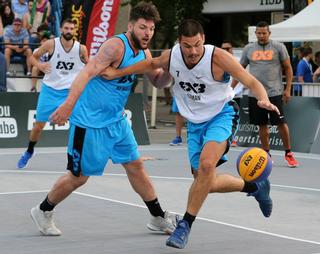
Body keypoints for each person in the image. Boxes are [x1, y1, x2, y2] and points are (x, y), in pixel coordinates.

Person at [102, 19, 280, 249]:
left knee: (206, 166)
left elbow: (251, 81)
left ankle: (185, 225)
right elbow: (151, 64)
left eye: (197, 44)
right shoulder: (172, 56)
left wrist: (263, 98)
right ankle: (255, 187)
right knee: (205, 182)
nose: (193, 51)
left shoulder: (217, 57)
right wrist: (117, 72)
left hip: (221, 114)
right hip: (194, 124)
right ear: (180, 43)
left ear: (203, 39)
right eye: (187, 46)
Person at [30, 2, 178, 236]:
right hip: (89, 123)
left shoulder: (145, 52)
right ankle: (43, 209)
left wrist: (170, 67)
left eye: (151, 29)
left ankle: (157, 216)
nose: (148, 33)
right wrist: (68, 105)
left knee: (136, 165)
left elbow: (158, 81)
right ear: (131, 26)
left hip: (116, 121)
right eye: (142, 27)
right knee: (79, 177)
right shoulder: (115, 47)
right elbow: (86, 73)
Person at [16, 18, 88, 168]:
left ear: (75, 31)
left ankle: (77, 156)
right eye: (66, 28)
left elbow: (88, 68)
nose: (69, 31)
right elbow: (32, 57)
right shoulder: (51, 44)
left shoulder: (81, 49)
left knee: (80, 125)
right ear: (61, 29)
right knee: (38, 126)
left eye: (71, 29)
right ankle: (29, 151)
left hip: (70, 92)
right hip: (50, 90)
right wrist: (40, 66)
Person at [233, 21, 298, 168]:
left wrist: (288, 89)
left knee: (281, 123)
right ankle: (266, 154)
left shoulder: (278, 47)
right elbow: (239, 70)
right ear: (255, 33)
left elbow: (288, 68)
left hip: (274, 93)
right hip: (255, 95)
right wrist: (230, 90)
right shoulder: (248, 49)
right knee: (262, 125)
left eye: (264, 33)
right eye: (259, 33)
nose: (261, 35)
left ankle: (288, 153)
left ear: (269, 33)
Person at [221, 40, 243, 147]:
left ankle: (233, 138)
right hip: (222, 96)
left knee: (234, 117)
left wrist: (233, 90)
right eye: (223, 49)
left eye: (228, 48)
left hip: (235, 94)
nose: (225, 51)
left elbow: (242, 77)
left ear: (232, 49)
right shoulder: (218, 61)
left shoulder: (237, 61)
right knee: (222, 117)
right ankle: (224, 137)